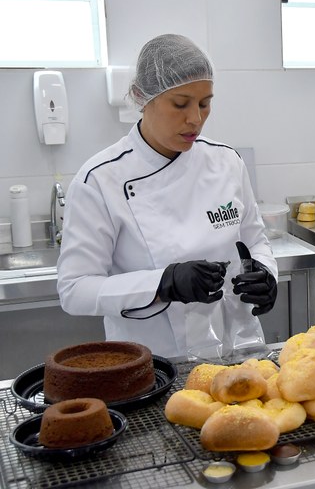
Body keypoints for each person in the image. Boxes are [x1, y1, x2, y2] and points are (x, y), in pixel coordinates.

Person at [57, 34, 278, 359]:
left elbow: (255, 241)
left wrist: (265, 275)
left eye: (205, 103)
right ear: (141, 97)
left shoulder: (226, 162)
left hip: (240, 354)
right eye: (180, 103)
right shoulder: (100, 181)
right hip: (154, 365)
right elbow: (74, 290)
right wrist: (163, 282)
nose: (195, 119)